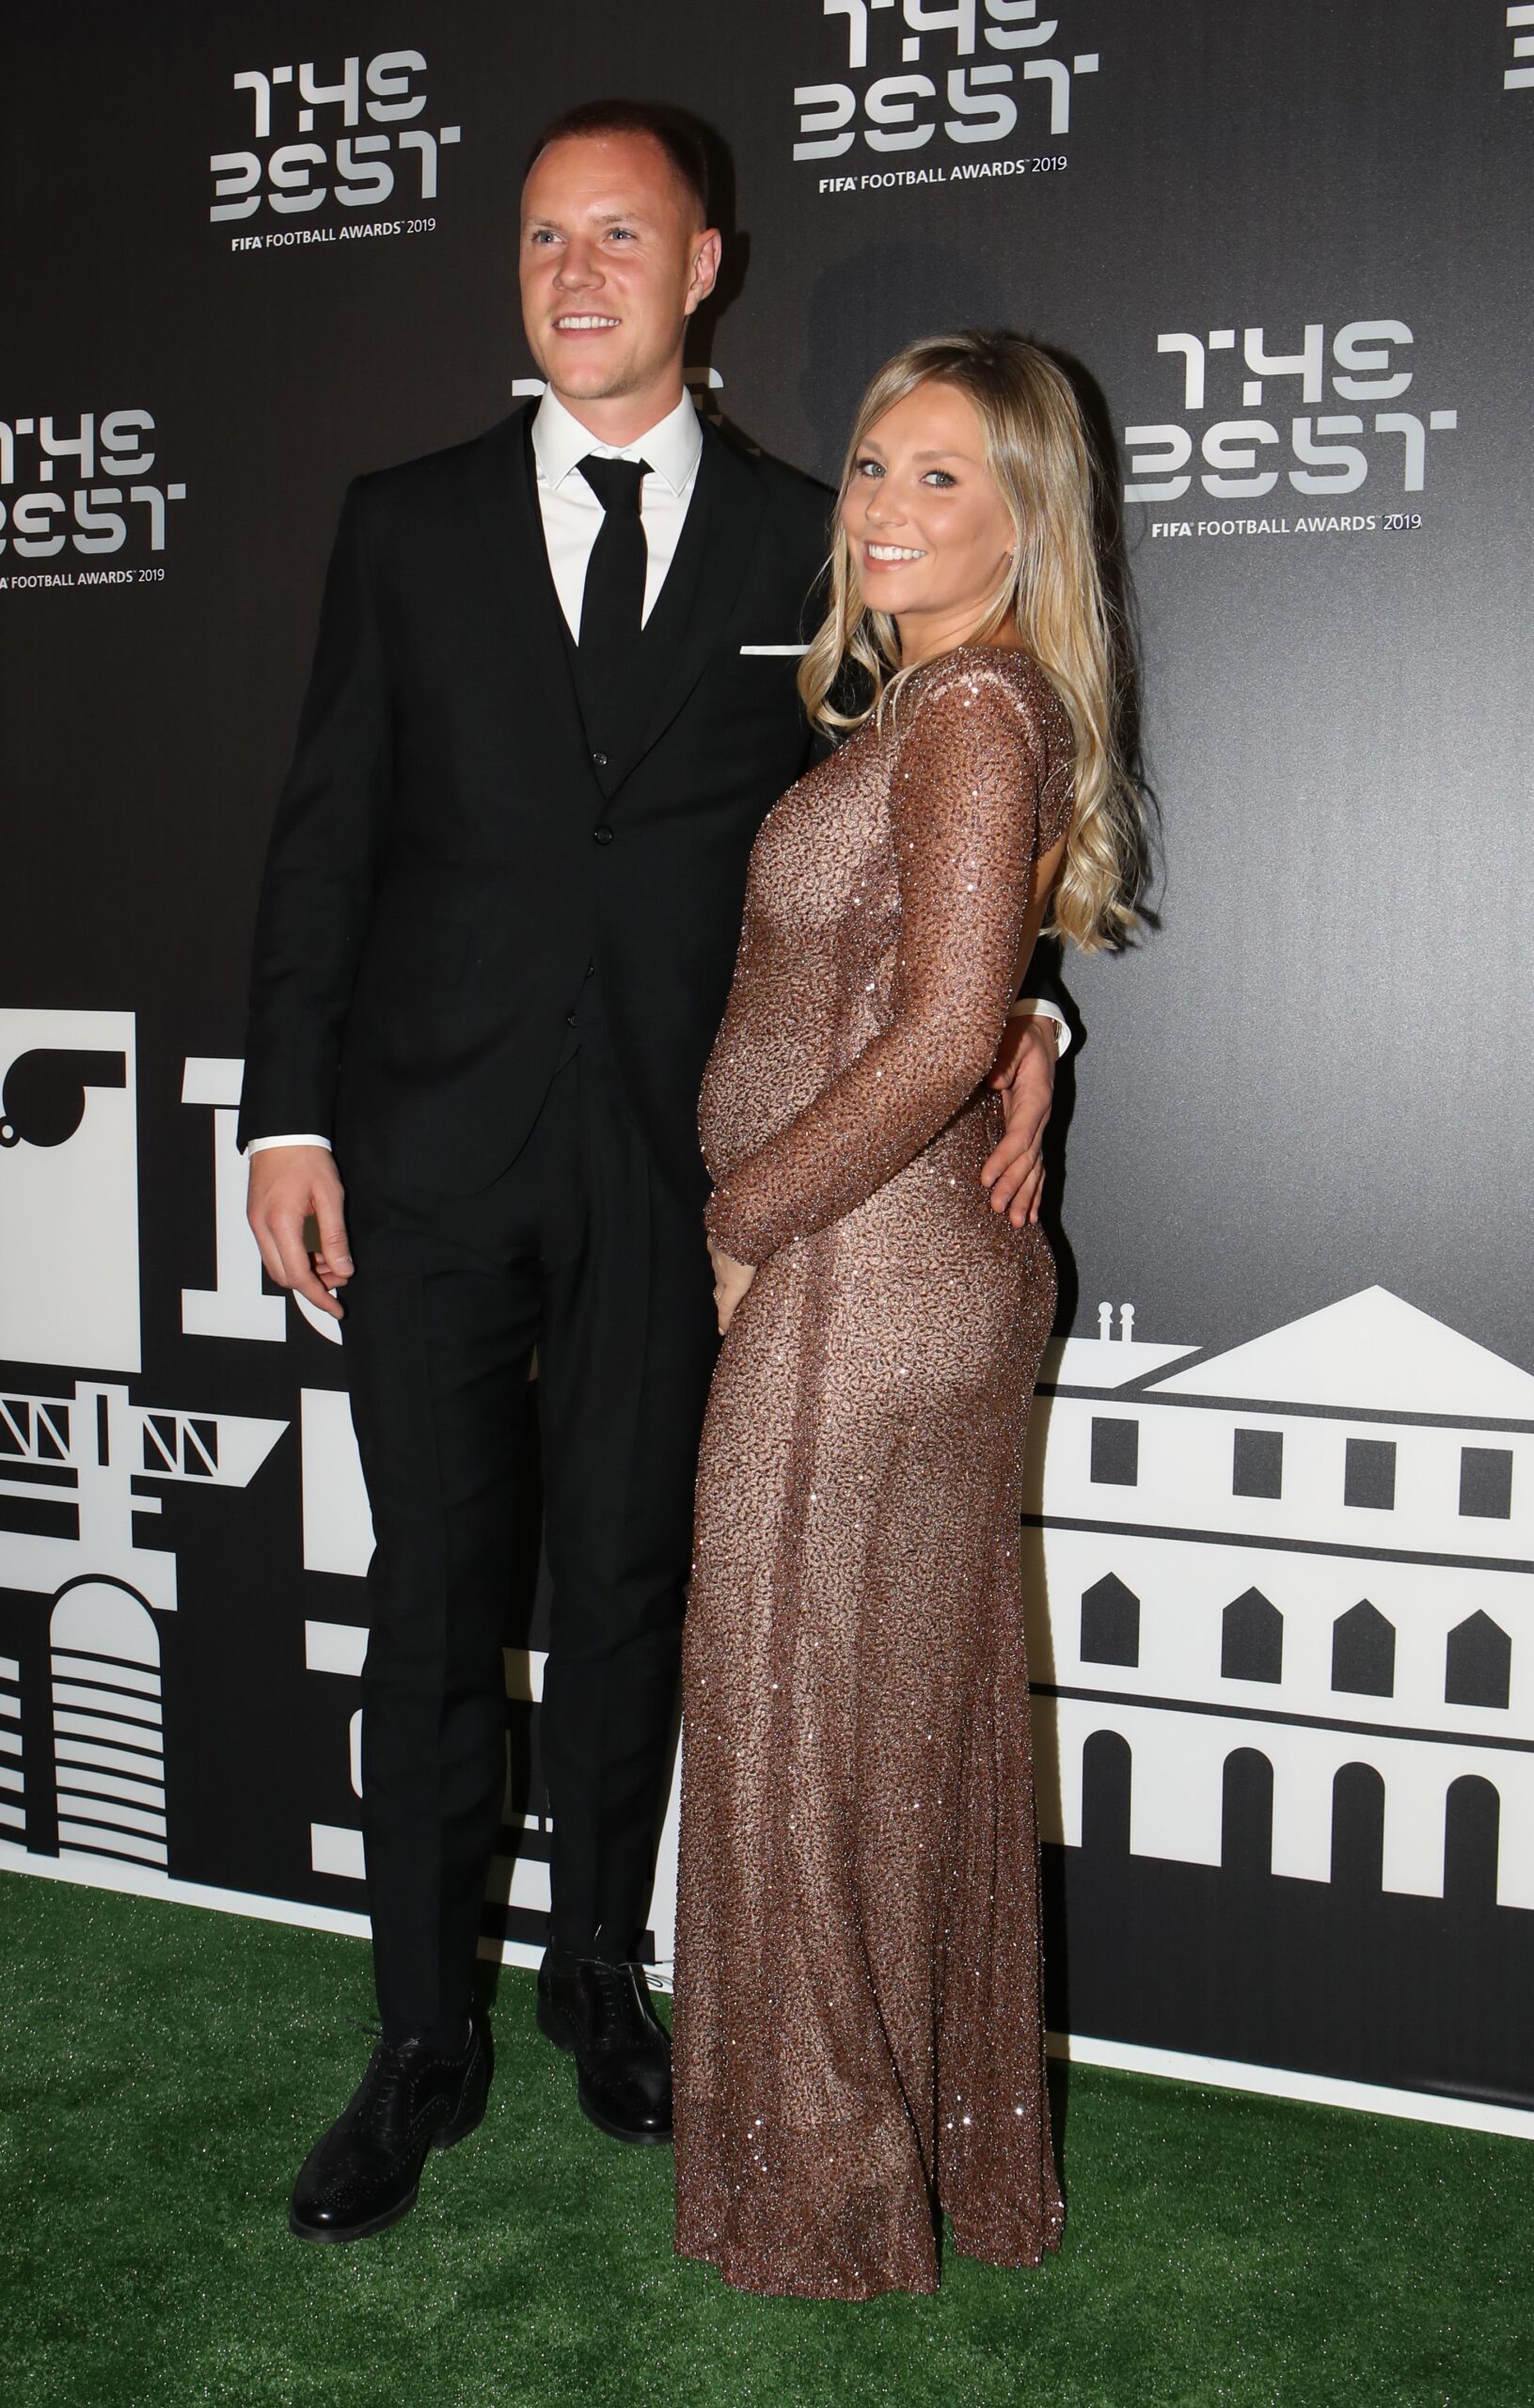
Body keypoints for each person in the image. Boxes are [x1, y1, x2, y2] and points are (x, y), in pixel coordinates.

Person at [240, 104, 1067, 2245]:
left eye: (622, 233)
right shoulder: (401, 522)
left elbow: (931, 834)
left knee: (628, 1598)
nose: (576, 269)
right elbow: (326, 832)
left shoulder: (820, 537)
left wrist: (1040, 1021)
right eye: (542, 236)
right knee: (433, 1609)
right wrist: (288, 1114)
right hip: (423, 1159)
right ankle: (423, 2037)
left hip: (679, 1187)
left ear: (707, 265)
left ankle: (603, 1974)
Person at [673, 332, 1145, 2298]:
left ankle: (830, 2202)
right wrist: (1038, 1020)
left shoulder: (966, 708)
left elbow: (946, 1024)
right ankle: (934, 2151)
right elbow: (979, 1000)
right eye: (874, 465)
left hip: (857, 1275)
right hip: (903, 1270)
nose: (882, 505)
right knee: (882, 1725)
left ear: (1031, 514)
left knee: (791, 1725)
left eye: (942, 477)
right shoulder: (965, 707)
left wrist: (744, 1211)